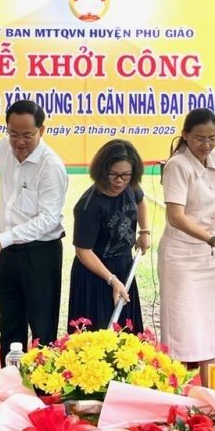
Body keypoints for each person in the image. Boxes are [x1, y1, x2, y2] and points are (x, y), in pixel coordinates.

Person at [158, 109, 215, 385]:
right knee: (182, 328)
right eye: (199, 139)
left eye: (212, 139)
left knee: (209, 326)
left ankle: (209, 390)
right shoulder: (178, 165)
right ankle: (175, 392)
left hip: (209, 255)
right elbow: (176, 216)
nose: (206, 145)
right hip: (181, 256)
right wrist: (212, 239)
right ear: (185, 135)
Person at [0, 100, 69, 351]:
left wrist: (4, 239)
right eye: (13, 134)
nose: (19, 142)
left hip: (40, 253)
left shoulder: (51, 166)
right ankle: (9, 379)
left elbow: (48, 219)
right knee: (10, 321)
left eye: (28, 135)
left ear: (42, 130)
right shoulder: (4, 148)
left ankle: (41, 386)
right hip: (8, 252)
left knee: (41, 325)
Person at [67, 139, 151, 333]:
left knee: (126, 332)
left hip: (123, 265)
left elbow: (140, 200)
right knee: (98, 335)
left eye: (125, 175)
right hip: (94, 274)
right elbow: (83, 251)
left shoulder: (130, 186)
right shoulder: (89, 206)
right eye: (113, 175)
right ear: (102, 171)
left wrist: (144, 231)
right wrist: (112, 280)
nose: (119, 181)